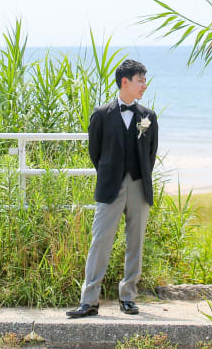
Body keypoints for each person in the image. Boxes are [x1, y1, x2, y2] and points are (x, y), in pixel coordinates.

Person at [67, 59, 158, 318]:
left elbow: (151, 154)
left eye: (144, 80)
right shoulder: (101, 114)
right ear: (124, 81)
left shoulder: (148, 116)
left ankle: (128, 296)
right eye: (140, 80)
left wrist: (137, 176)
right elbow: (95, 153)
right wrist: (112, 174)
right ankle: (89, 301)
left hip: (139, 185)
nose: (144, 85)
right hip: (110, 186)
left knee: (135, 242)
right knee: (100, 241)